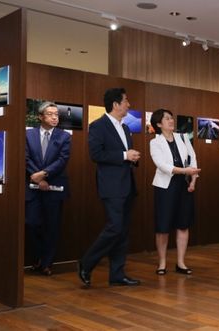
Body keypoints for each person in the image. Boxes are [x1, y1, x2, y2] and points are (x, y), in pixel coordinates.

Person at [78, 88, 141, 287]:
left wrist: (132, 158)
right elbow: (96, 155)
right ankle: (86, 264)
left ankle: (117, 274)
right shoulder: (98, 126)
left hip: (127, 185)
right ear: (116, 104)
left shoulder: (125, 128)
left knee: (122, 230)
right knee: (114, 227)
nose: (128, 104)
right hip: (111, 186)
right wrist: (124, 156)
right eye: (126, 101)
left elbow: (125, 155)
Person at [149, 109, 201, 276]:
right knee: (163, 227)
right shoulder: (155, 143)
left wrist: (193, 179)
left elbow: (193, 159)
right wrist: (185, 171)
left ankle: (181, 262)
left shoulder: (183, 137)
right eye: (167, 119)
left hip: (184, 185)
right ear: (158, 124)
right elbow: (162, 166)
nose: (171, 121)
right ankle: (162, 263)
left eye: (171, 118)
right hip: (165, 187)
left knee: (183, 224)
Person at [25, 101, 71, 276]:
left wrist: (43, 174)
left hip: (55, 186)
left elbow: (62, 160)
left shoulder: (64, 136)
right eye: (50, 114)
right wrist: (37, 177)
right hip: (33, 186)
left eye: (56, 114)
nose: (54, 117)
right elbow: (25, 158)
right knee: (32, 223)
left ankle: (47, 263)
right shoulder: (28, 135)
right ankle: (36, 258)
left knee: (52, 226)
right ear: (40, 117)